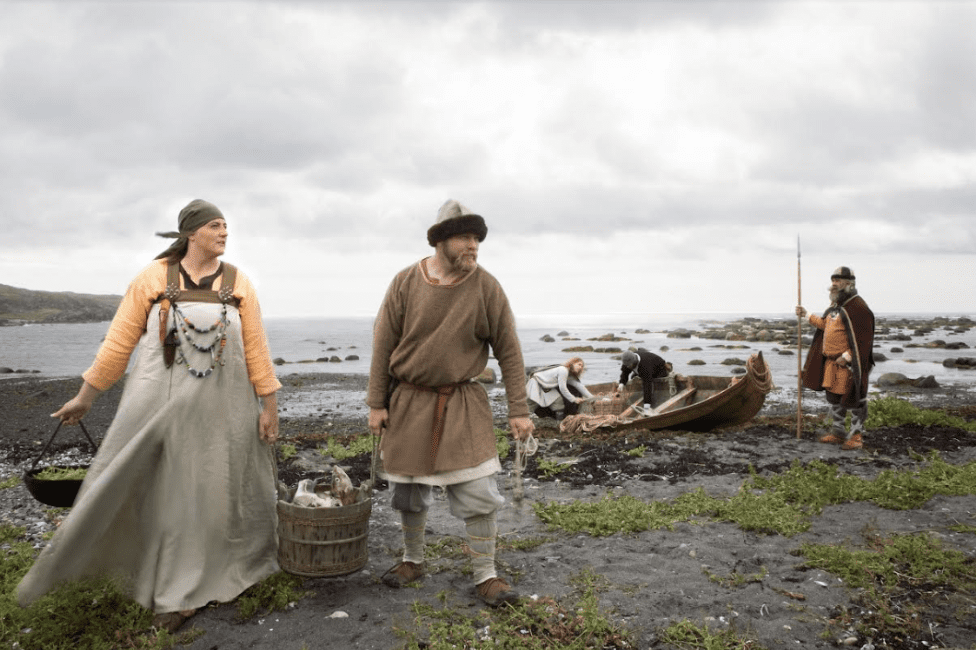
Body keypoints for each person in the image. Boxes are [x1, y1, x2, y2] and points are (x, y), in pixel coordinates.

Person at [17, 199, 281, 632]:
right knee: (169, 495)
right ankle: (175, 590)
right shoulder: (152, 278)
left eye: (226, 226)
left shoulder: (240, 284)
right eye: (215, 226)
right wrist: (86, 397)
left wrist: (268, 408)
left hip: (225, 414)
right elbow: (119, 344)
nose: (224, 233)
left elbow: (257, 351)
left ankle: (227, 567)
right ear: (191, 233)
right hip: (161, 408)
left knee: (220, 491)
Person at [366, 199, 535, 607]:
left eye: (477, 238)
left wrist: (519, 409)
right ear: (441, 241)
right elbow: (383, 342)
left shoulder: (486, 286)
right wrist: (377, 401)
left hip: (461, 403)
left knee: (478, 491)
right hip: (408, 401)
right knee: (407, 492)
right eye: (464, 237)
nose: (473, 245)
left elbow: (509, 350)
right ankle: (412, 560)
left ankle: (486, 575)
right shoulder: (405, 281)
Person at [796, 266, 875, 450]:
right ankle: (838, 432)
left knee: (855, 398)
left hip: (848, 365)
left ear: (849, 284)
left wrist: (847, 356)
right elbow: (825, 325)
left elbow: (864, 339)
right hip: (832, 363)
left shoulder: (858, 307)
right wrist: (806, 315)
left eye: (837, 281)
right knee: (834, 398)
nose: (833, 284)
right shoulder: (835, 307)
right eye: (833, 280)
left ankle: (856, 436)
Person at [525, 357, 594, 420]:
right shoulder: (563, 370)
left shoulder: (568, 375)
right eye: (579, 364)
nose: (580, 367)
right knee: (530, 406)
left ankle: (559, 422)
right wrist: (574, 399)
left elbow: (578, 385)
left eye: (582, 366)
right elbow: (563, 388)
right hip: (535, 384)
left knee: (558, 402)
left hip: (546, 388)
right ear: (572, 363)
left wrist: (593, 397)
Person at [614, 348, 673, 413]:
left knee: (651, 384)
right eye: (628, 366)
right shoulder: (627, 362)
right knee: (634, 377)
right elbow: (625, 373)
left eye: (630, 365)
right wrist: (621, 384)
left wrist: (646, 406)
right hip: (644, 368)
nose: (629, 367)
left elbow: (647, 385)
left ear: (635, 361)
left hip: (659, 370)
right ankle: (642, 396)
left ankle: (651, 402)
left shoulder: (645, 365)